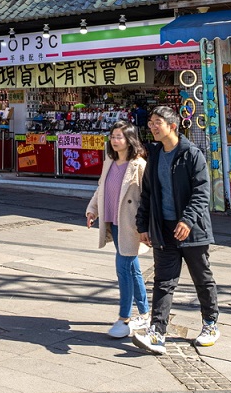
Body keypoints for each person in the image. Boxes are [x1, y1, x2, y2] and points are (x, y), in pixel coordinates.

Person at [132, 105, 217, 354]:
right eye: (150, 122)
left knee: (202, 278)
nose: (152, 127)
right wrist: (143, 225)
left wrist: (187, 220)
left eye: (157, 122)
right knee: (163, 281)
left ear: (172, 125)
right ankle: (157, 333)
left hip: (192, 230)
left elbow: (202, 193)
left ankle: (210, 324)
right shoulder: (155, 155)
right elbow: (147, 193)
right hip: (164, 228)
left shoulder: (192, 153)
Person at [84, 123, 149, 337]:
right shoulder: (109, 161)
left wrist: (144, 226)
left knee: (123, 267)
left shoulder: (138, 165)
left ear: (129, 139)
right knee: (132, 268)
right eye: (112, 136)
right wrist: (92, 210)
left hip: (130, 223)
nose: (114, 140)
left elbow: (146, 198)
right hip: (112, 219)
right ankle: (145, 312)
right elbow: (101, 188)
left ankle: (124, 318)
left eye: (119, 136)